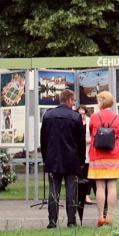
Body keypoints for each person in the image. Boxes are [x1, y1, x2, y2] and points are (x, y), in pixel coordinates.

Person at [41, 88, 85, 228]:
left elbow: (44, 140)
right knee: (71, 190)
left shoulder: (48, 115)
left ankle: (52, 222)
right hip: (71, 158)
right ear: (69, 100)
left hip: (53, 158)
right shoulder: (75, 116)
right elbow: (81, 141)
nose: (74, 104)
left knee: (54, 189)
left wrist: (45, 157)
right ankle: (71, 221)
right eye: (74, 101)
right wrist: (82, 160)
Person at [87, 91, 119, 226]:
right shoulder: (117, 118)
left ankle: (100, 216)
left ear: (101, 101)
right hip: (114, 155)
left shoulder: (94, 117)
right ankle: (110, 216)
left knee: (100, 186)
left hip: (98, 155)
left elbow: (92, 133)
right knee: (112, 186)